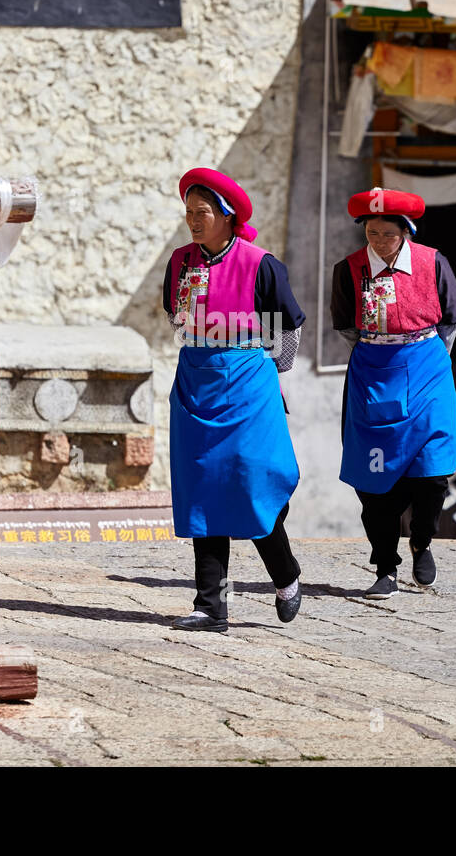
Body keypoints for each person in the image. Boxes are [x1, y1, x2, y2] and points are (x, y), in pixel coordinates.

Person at [162, 167, 306, 632]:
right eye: (188, 212)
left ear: (226, 216)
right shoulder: (180, 262)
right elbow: (174, 316)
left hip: (247, 384)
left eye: (202, 212)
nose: (193, 220)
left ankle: (285, 576)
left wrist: (275, 374)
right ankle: (211, 606)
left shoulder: (260, 264)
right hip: (195, 383)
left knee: (252, 486)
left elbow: (287, 324)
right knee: (202, 489)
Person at [330, 188, 456, 599]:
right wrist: (380, 350)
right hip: (374, 371)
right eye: (372, 233)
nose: (380, 242)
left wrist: (424, 356)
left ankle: (422, 540)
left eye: (388, 234)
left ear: (406, 231)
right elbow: (346, 328)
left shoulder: (433, 261)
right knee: (375, 482)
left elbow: (451, 320)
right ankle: (385, 565)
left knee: (433, 472)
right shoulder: (349, 270)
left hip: (427, 369)